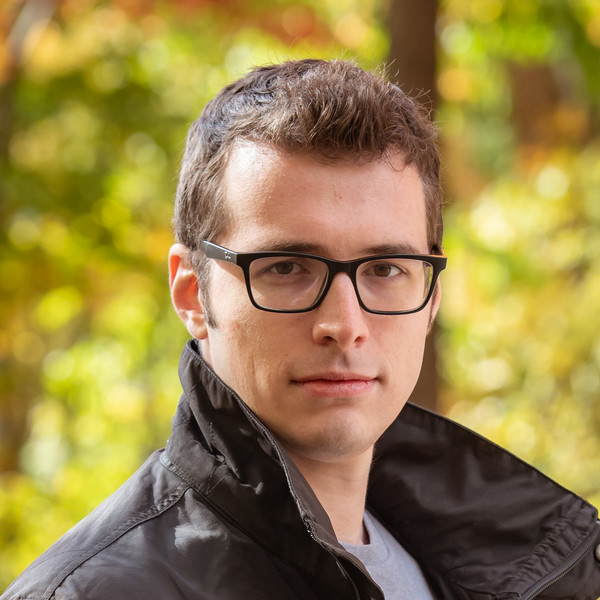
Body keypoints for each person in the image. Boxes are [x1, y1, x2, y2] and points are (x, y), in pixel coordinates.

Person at [3, 59, 600, 600]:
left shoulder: (514, 570)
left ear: (432, 295)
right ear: (191, 291)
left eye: (385, 269)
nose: (344, 325)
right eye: (286, 268)